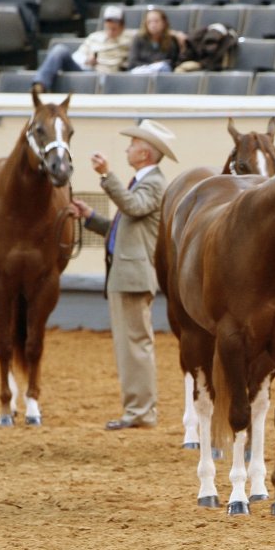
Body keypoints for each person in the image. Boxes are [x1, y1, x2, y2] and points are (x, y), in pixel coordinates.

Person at [70, 120, 179, 431]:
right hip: (128, 273)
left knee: (134, 345)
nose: (128, 148)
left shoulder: (152, 183)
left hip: (133, 275)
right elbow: (125, 228)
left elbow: (132, 207)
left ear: (145, 152)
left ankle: (141, 412)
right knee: (130, 345)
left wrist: (106, 175)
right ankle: (138, 409)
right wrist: (91, 218)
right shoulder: (144, 181)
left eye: (133, 144)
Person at [32, 4, 134, 93]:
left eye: (114, 29)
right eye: (108, 28)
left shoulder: (130, 39)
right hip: (87, 73)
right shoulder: (94, 37)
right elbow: (77, 56)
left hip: (107, 78)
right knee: (59, 50)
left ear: (122, 26)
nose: (111, 32)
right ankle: (39, 85)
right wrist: (87, 60)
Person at [127, 7, 183, 74]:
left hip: (163, 75)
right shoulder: (138, 39)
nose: (153, 25)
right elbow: (132, 62)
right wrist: (151, 64)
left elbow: (173, 62)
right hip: (141, 73)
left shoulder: (171, 40)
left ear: (164, 22)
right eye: (149, 22)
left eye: (156, 21)